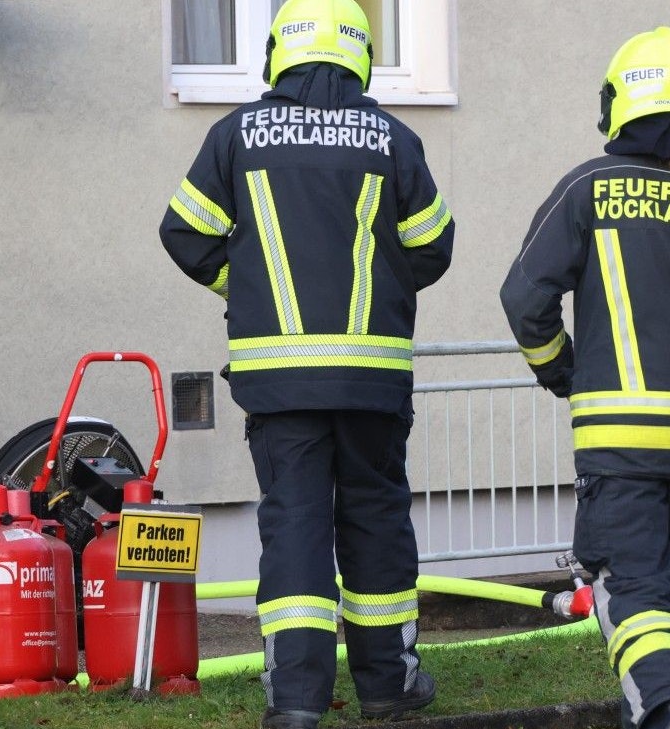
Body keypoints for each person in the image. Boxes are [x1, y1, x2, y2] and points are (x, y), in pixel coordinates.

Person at [158, 1, 452, 727]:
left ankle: (295, 700)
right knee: (376, 522)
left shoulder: (236, 136)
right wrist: (382, 286)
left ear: (276, 54)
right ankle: (387, 685)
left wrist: (245, 283)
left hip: (279, 381)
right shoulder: (392, 138)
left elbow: (183, 231)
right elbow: (434, 245)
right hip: (372, 381)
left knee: (294, 528)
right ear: (359, 54)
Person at [499, 26, 670, 729]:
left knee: (630, 591)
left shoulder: (591, 186)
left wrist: (559, 369)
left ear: (619, 104)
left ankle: (668, 710)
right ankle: (664, 694)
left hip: (618, 443)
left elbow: (524, 296)